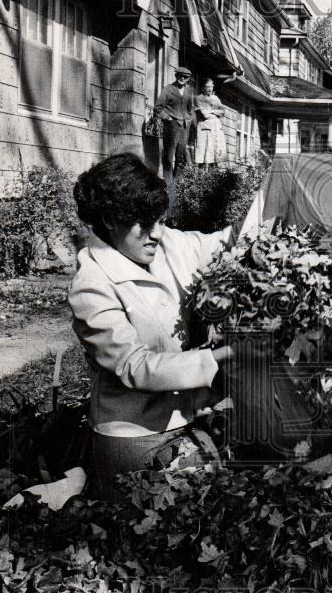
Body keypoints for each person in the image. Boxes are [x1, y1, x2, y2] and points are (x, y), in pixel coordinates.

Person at [68, 153, 240, 497]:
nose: (157, 234)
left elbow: (227, 242)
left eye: (161, 221)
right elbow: (135, 366)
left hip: (186, 419)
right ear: (110, 220)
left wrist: (280, 195)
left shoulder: (165, 243)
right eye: (144, 224)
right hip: (133, 438)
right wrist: (220, 359)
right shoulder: (91, 284)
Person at [153, 66, 195, 205]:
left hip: (184, 127)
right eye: (180, 75)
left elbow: (190, 108)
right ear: (176, 75)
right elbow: (158, 108)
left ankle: (177, 187)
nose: (182, 78)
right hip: (171, 126)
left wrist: (188, 120)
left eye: (185, 77)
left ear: (188, 78)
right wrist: (169, 119)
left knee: (181, 157)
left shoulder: (189, 91)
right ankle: (168, 186)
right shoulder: (168, 89)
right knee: (168, 157)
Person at [194, 78, 227, 168]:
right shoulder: (199, 98)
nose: (210, 89)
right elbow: (204, 114)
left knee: (215, 155)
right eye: (207, 87)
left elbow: (223, 111)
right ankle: (201, 177)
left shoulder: (215, 98)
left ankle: (213, 178)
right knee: (203, 154)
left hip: (216, 129)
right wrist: (216, 113)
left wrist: (211, 111)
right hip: (205, 129)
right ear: (202, 88)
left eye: (211, 87)